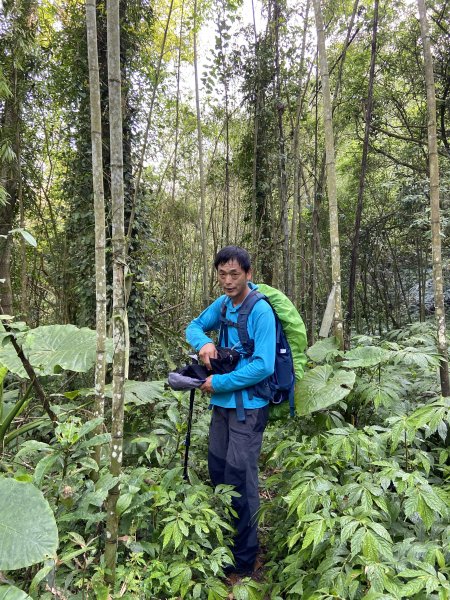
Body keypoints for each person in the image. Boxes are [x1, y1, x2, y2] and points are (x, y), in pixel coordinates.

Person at [185, 245, 275, 577]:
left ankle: (246, 559)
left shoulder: (260, 312)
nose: (227, 280)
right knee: (219, 471)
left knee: (241, 478)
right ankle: (226, 543)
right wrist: (203, 343)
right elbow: (193, 326)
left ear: (248, 274)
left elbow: (263, 366)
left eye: (234, 274)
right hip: (222, 408)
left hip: (248, 409)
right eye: (222, 274)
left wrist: (219, 383)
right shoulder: (223, 305)